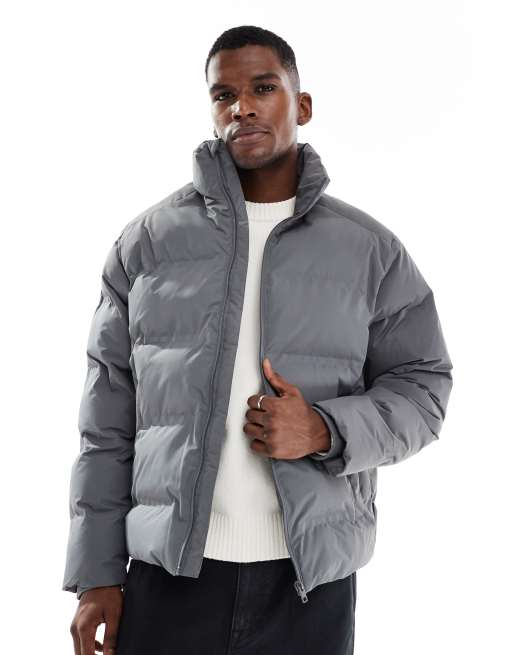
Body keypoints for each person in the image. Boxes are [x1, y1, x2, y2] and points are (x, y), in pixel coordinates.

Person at [63, 25, 453, 655]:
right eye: (224, 94)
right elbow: (105, 425)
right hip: (169, 578)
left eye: (263, 88)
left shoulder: (369, 251)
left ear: (302, 105)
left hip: (308, 587)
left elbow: (425, 389)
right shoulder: (147, 245)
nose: (241, 107)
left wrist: (324, 429)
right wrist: (96, 575)